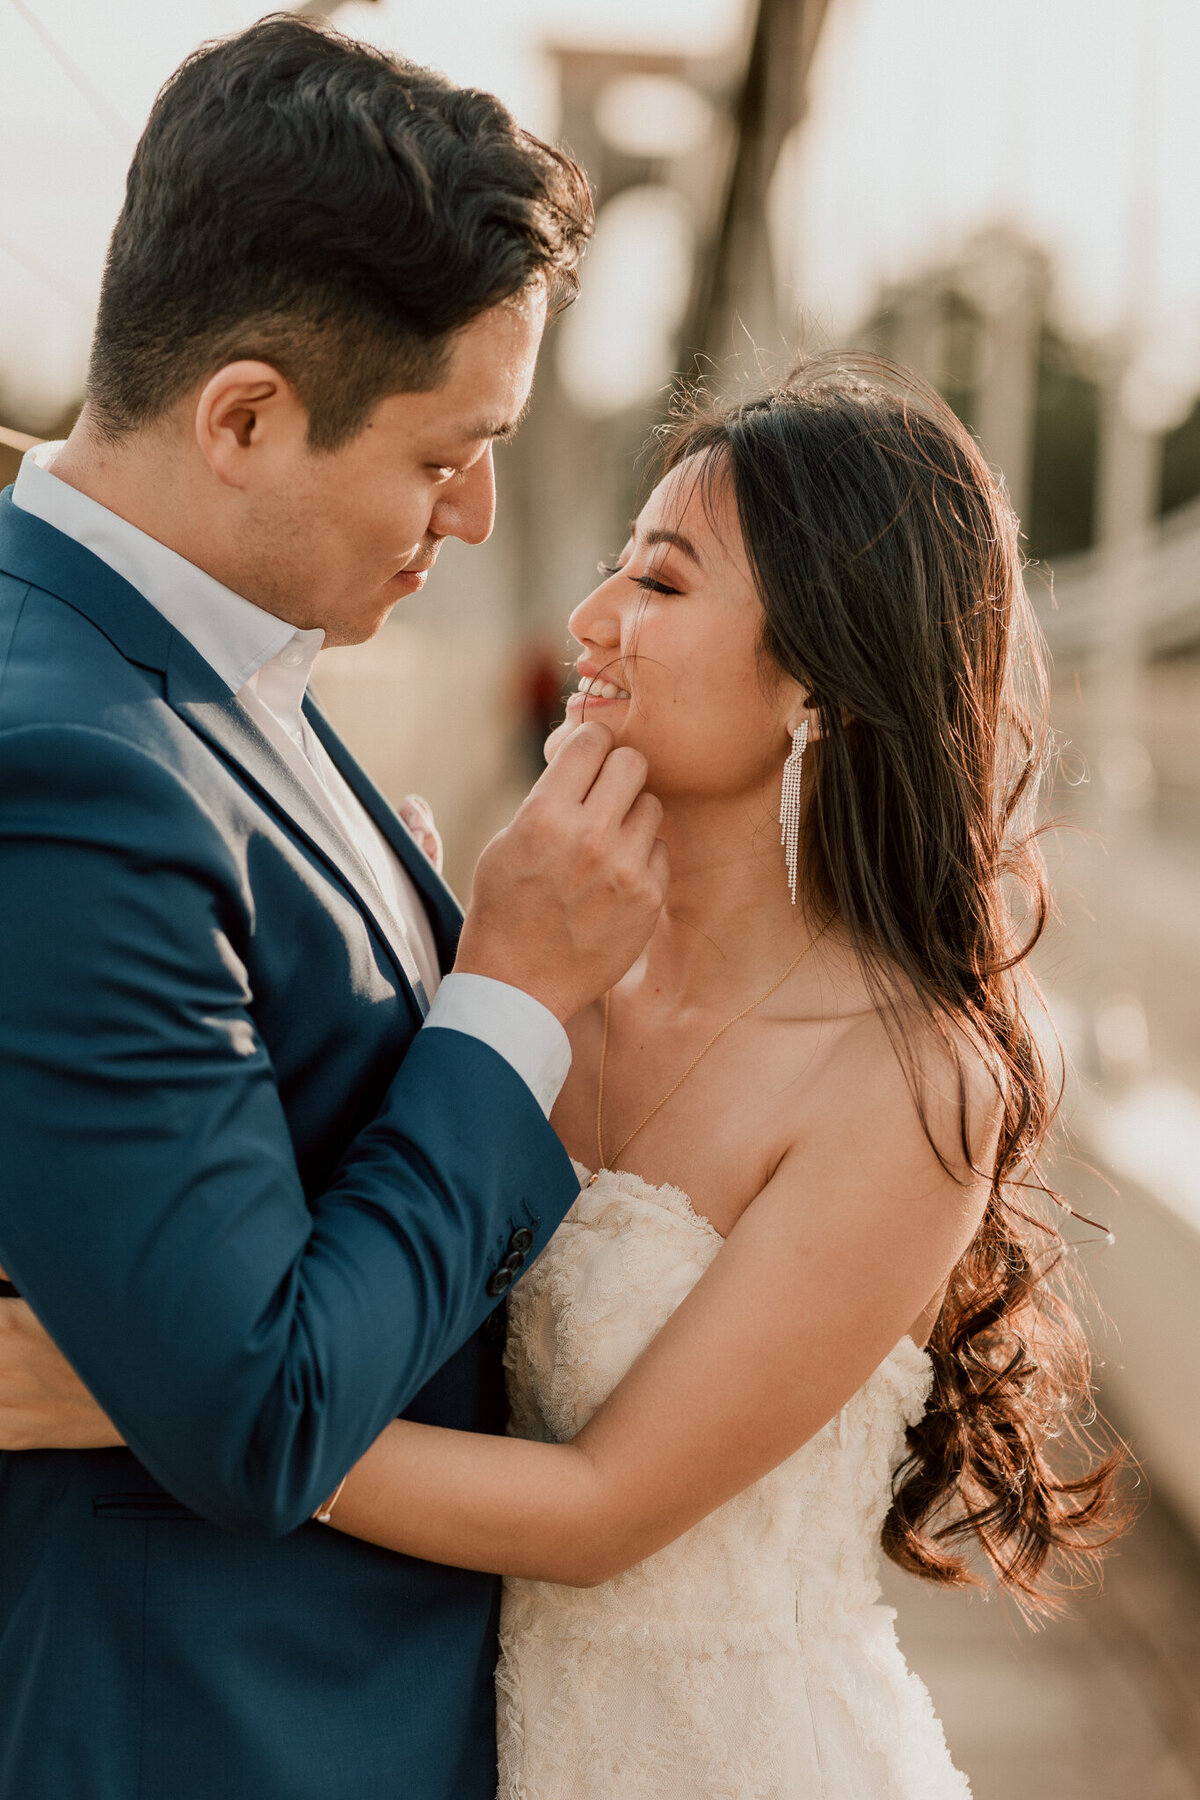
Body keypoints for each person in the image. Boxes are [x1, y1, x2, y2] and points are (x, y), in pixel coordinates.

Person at [4, 360, 1127, 1796]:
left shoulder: (912, 1082)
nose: (591, 622)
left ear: (826, 679)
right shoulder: (519, 985)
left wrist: (151, 1402)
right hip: (484, 1742)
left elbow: (602, 1511)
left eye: (660, 587)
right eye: (614, 569)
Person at [0, 17, 670, 1800]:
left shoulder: (217, 662)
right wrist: (510, 994)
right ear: (242, 416)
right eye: (448, 449)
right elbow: (261, 1412)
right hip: (220, 1735)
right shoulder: (68, 771)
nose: (483, 508)